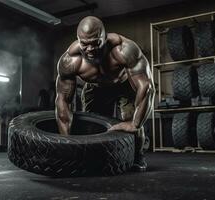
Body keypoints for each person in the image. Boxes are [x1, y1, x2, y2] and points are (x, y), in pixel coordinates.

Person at [55, 16, 155, 172]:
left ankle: (137, 156)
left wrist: (135, 123)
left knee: (131, 119)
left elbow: (146, 87)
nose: (90, 49)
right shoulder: (70, 61)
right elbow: (63, 101)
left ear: (104, 36)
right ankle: (98, 157)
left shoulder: (124, 49)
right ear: (78, 39)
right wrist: (66, 142)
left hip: (123, 85)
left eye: (95, 43)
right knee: (93, 125)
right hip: (95, 89)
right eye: (84, 44)